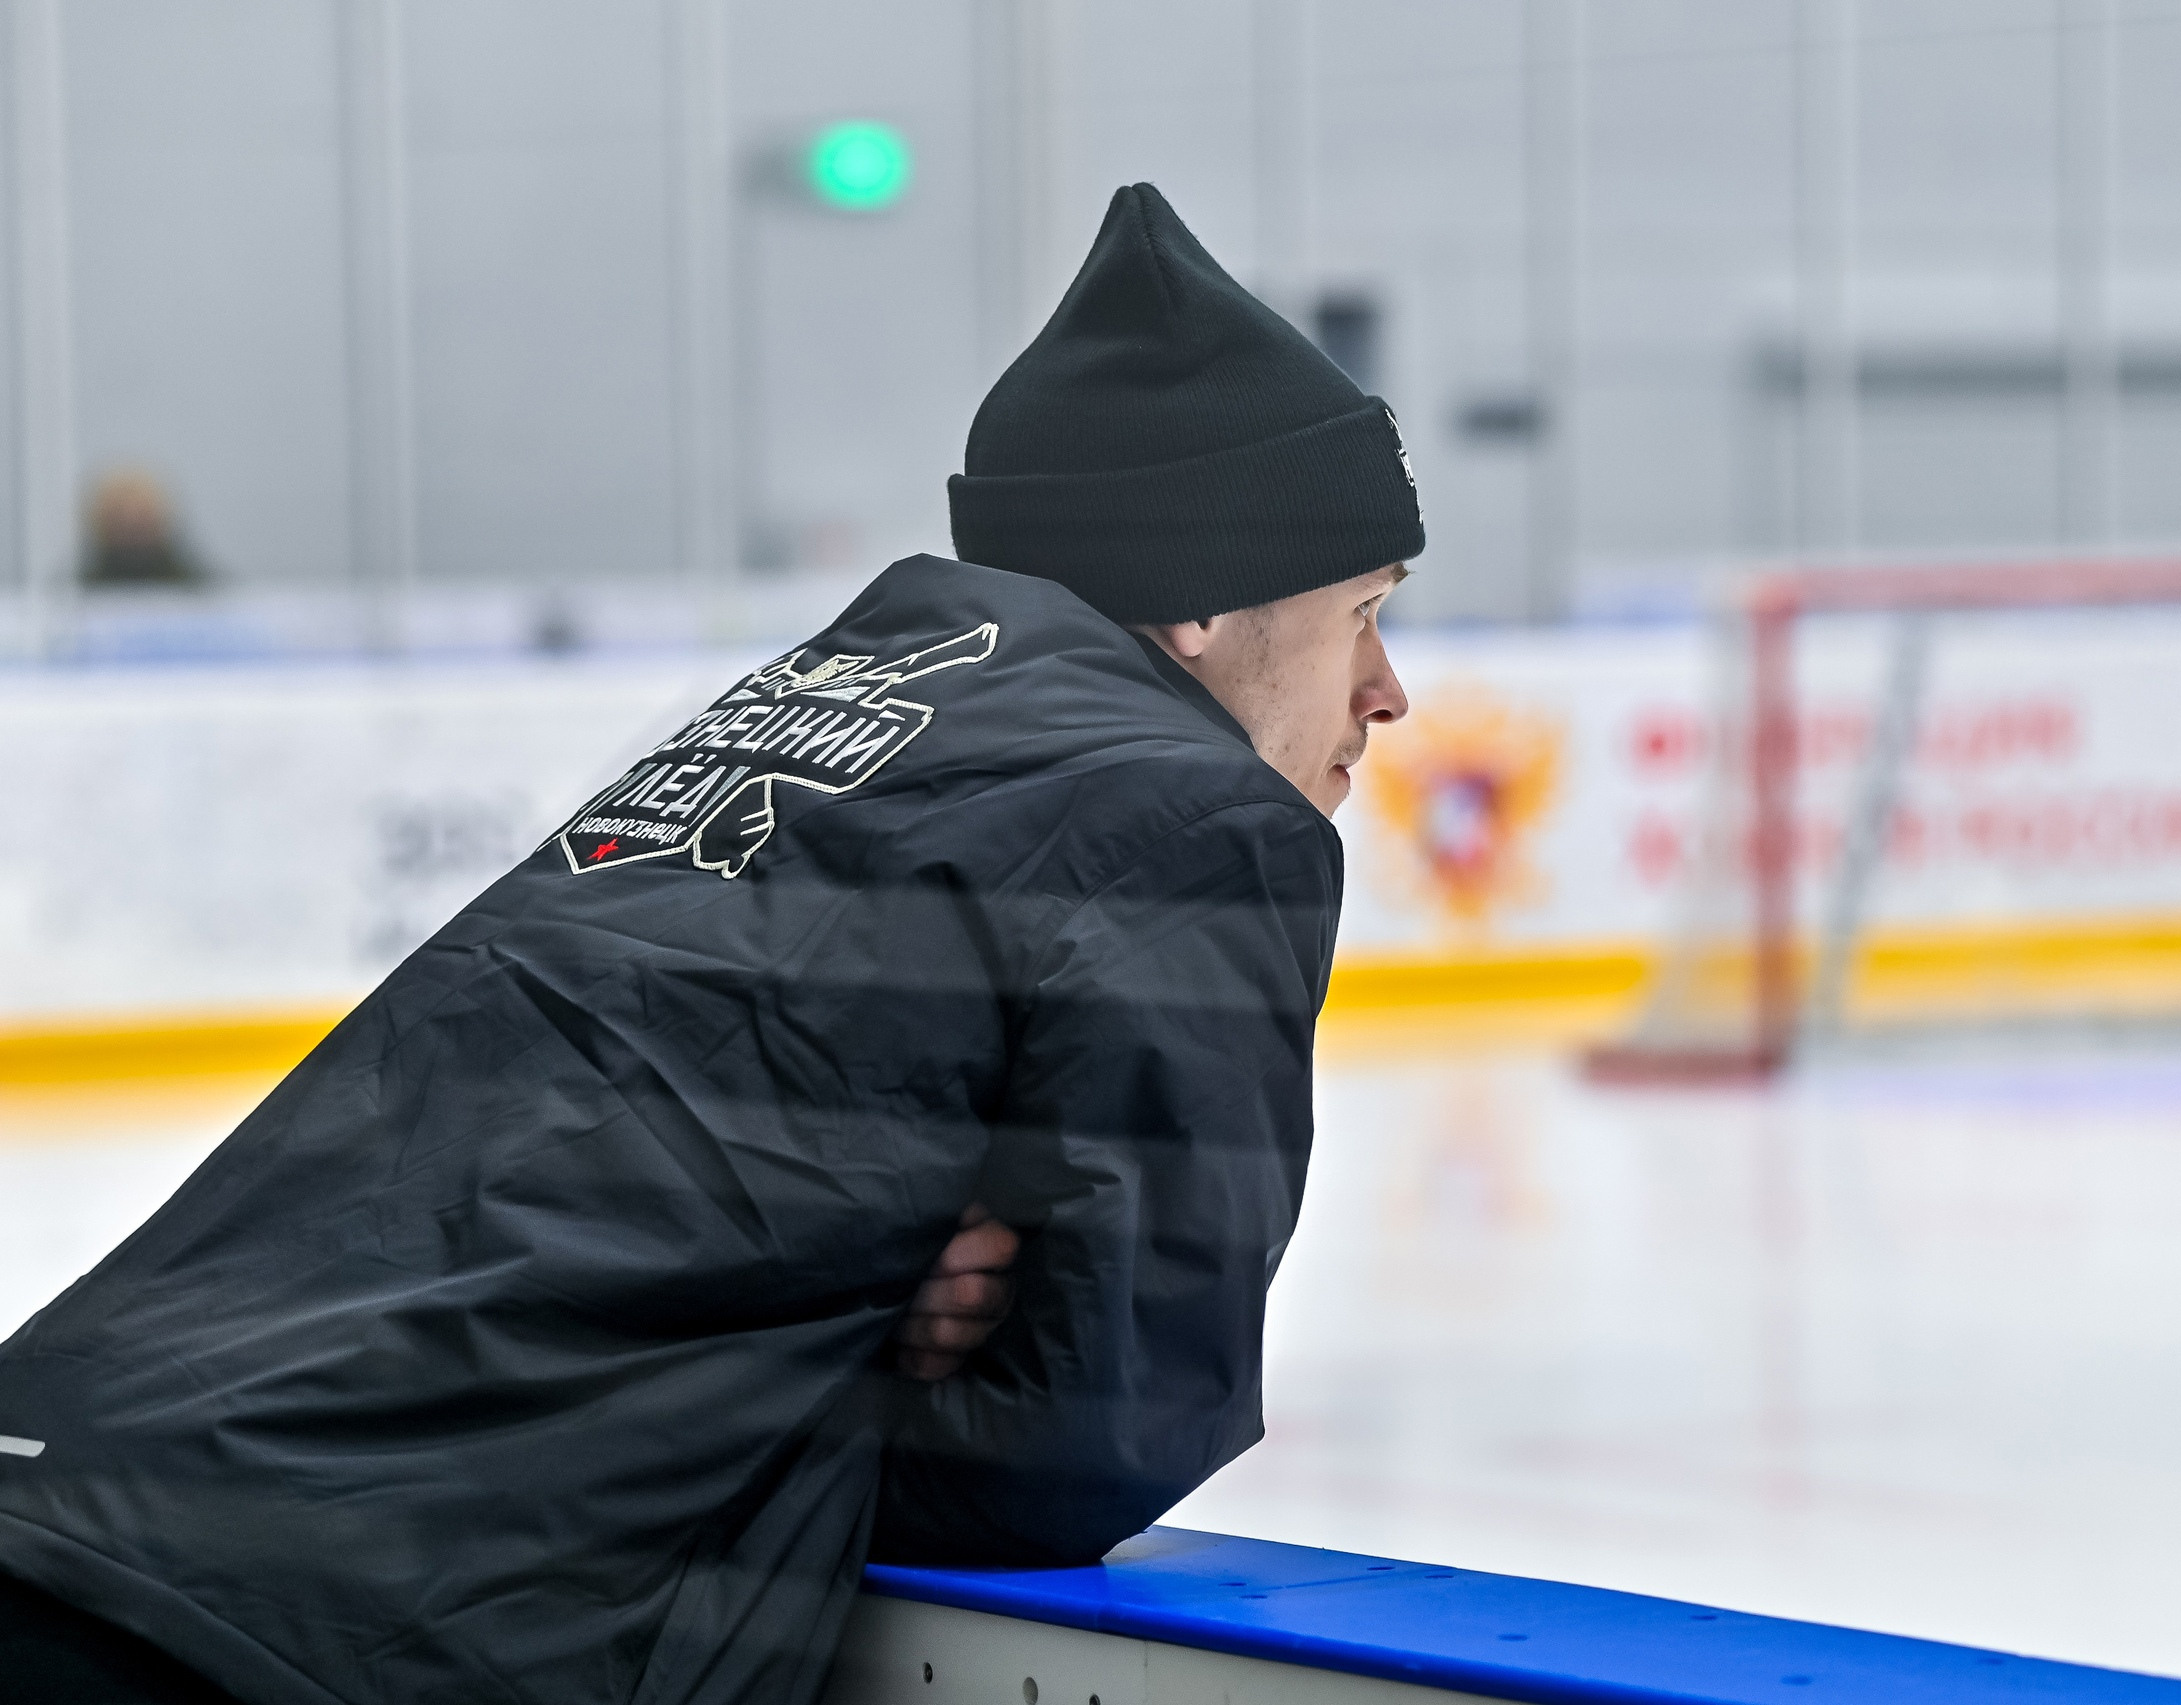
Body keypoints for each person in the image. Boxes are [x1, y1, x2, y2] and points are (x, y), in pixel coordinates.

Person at [0, 181, 1418, 1705]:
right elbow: (1102, 1429)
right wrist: (869, 1381)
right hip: (321, 1627)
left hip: (74, 1485)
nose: (1387, 690)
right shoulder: (1185, 810)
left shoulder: (810, 720)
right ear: (1203, 598)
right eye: (1364, 610)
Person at [78, 469, 211, 589]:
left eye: (142, 517)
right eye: (120, 519)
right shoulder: (76, 592)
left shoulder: (201, 591)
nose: (132, 528)